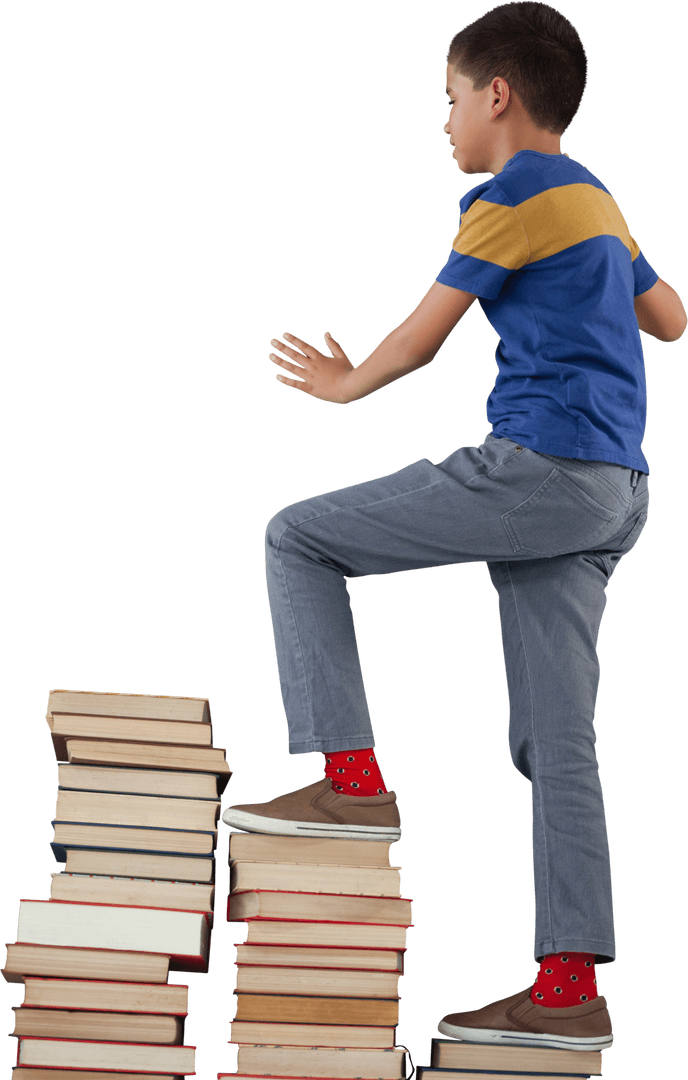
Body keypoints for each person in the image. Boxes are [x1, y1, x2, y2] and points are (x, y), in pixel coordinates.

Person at [223, 0, 686, 1053]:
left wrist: (342, 385)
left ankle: (352, 785)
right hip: (619, 489)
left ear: (497, 96)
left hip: (544, 468)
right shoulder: (599, 203)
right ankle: (567, 988)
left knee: (298, 537)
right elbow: (671, 319)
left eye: (448, 100)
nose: (443, 123)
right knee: (558, 738)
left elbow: (419, 339)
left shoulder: (510, 196)